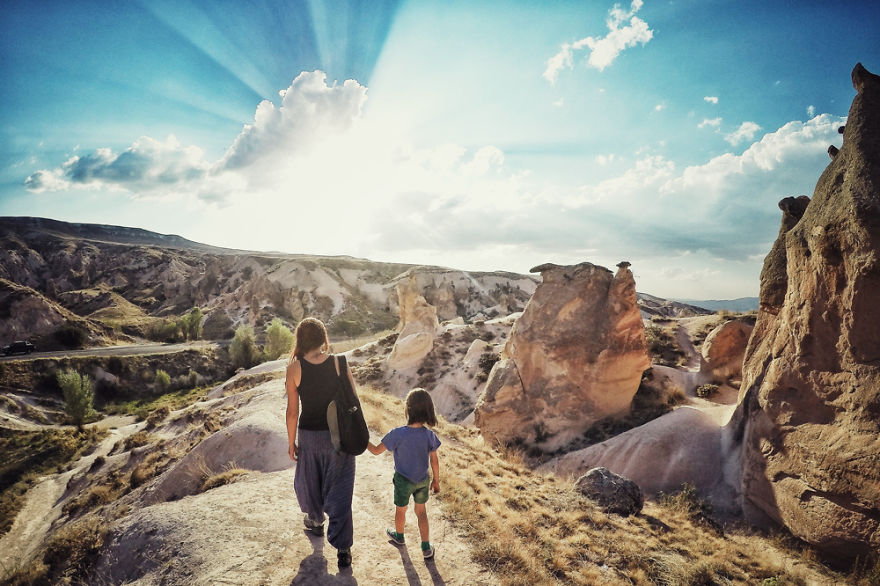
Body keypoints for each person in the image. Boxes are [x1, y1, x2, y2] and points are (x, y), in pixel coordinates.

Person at [285, 317, 358, 568]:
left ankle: (316, 522)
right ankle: (343, 549)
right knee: (341, 488)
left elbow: (292, 411)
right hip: (339, 436)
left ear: (300, 340)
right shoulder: (339, 362)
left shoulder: (294, 368)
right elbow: (353, 400)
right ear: (323, 338)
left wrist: (291, 442)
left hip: (309, 436)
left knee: (310, 481)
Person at [366, 388, 441, 559]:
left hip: (403, 481)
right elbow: (434, 461)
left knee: (401, 510)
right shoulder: (429, 435)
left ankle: (399, 536)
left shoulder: (397, 433)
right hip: (422, 480)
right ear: (428, 410)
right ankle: (426, 548)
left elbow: (376, 451)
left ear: (408, 409)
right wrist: (436, 480)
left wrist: (363, 441)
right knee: (421, 512)